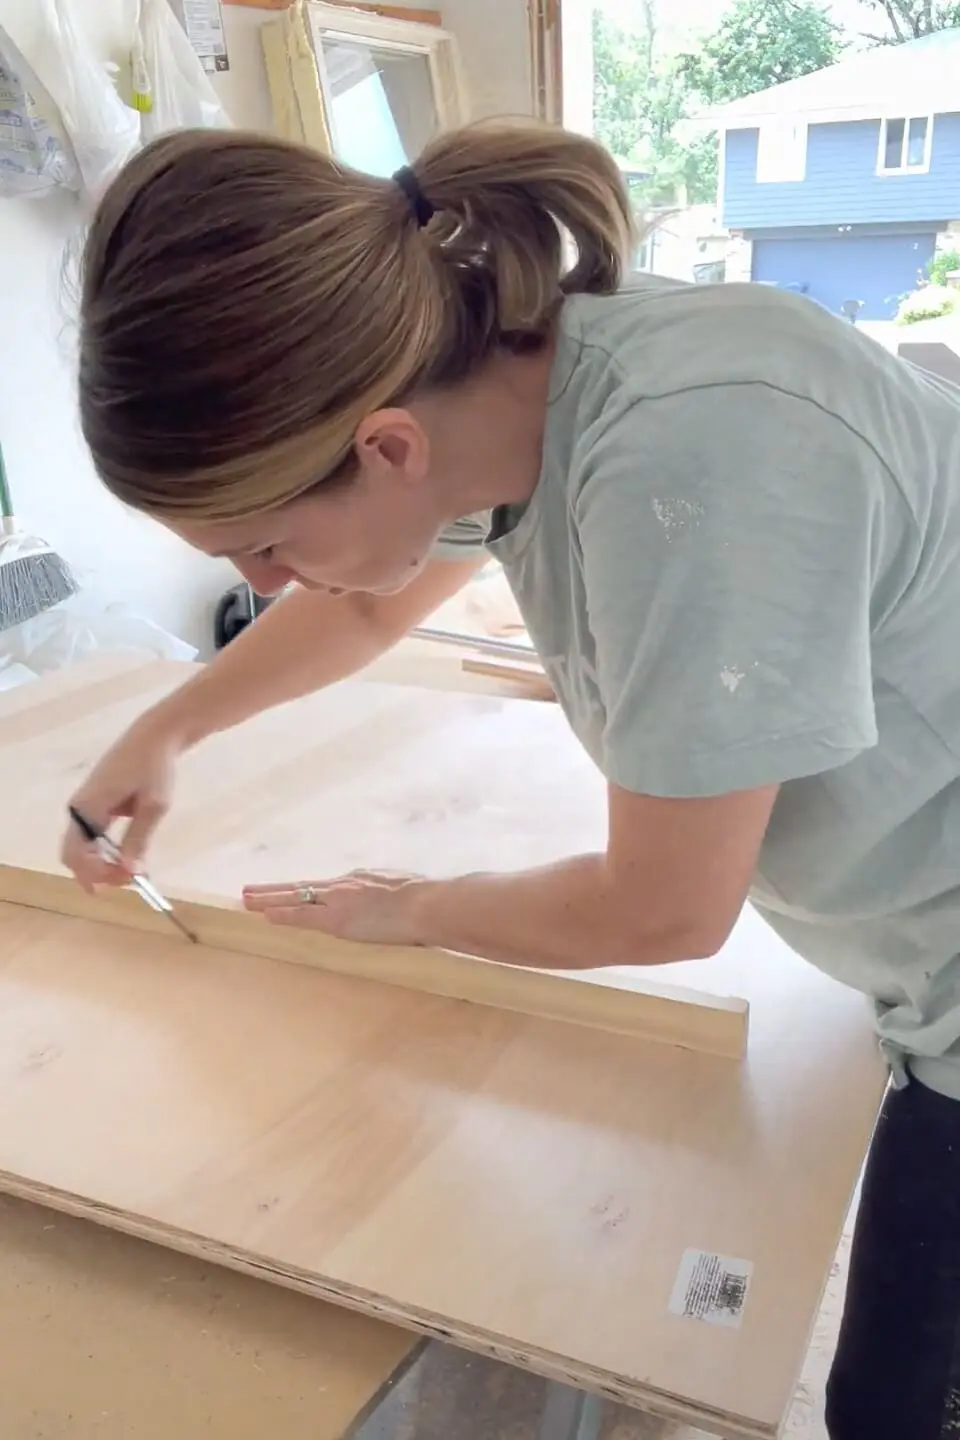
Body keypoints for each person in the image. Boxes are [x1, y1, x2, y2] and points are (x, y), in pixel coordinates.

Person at [63, 119, 960, 1438]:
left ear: (383, 450)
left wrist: (408, 907)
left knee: (891, 1408)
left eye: (265, 543)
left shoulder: (690, 461)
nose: (261, 587)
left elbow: (663, 909)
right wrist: (164, 733)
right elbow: (368, 607)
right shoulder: (495, 373)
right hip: (908, 941)